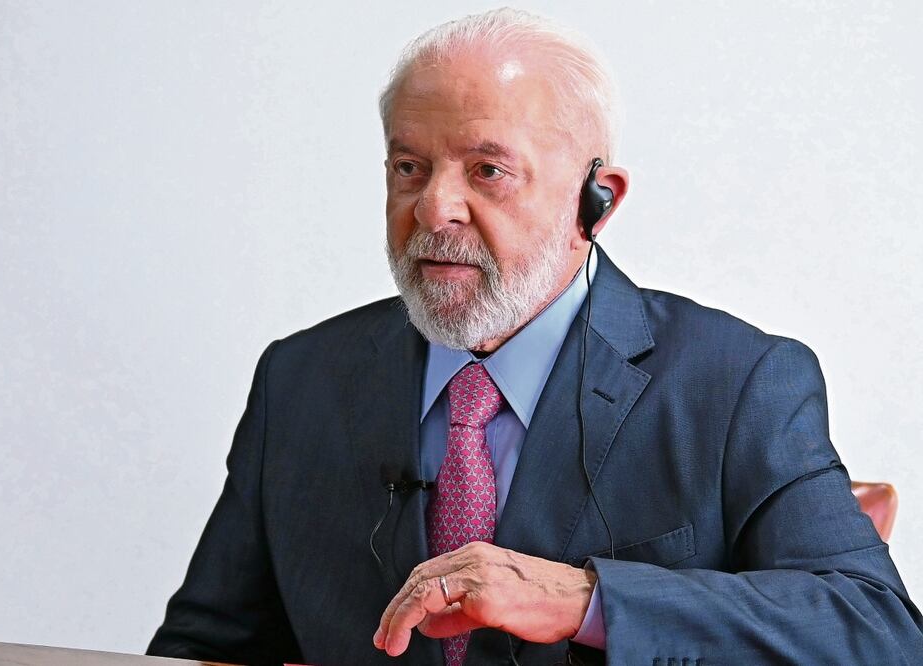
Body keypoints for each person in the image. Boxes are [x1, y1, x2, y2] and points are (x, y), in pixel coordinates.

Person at [146, 8, 922, 665]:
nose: (434, 208)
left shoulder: (736, 382)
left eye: (487, 171)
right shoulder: (301, 378)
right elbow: (205, 646)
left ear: (597, 201)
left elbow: (877, 632)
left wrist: (589, 601)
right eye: (409, 167)